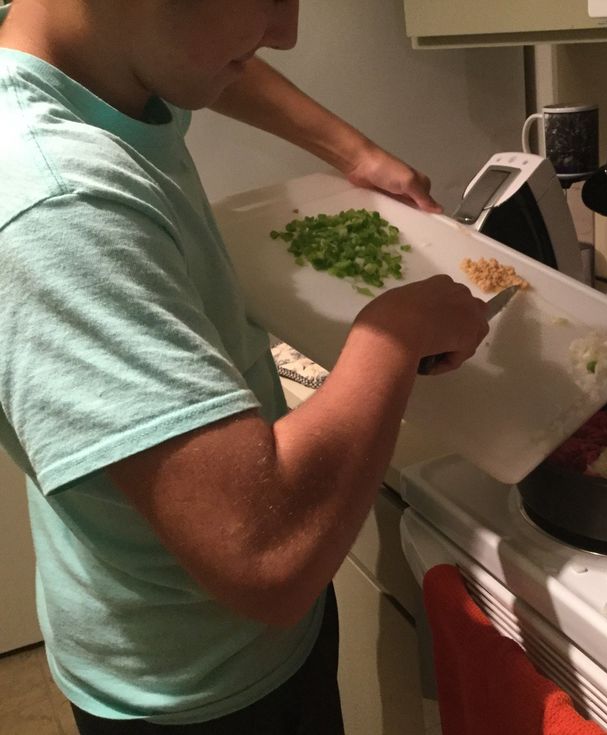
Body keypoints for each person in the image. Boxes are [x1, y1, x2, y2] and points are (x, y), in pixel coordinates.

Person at [0, 1, 490, 732]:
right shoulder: (60, 206)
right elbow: (266, 559)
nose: (285, 34)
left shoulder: (84, 57)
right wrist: (392, 335)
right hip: (198, 683)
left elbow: (212, 69)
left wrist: (352, 151)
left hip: (205, 631)